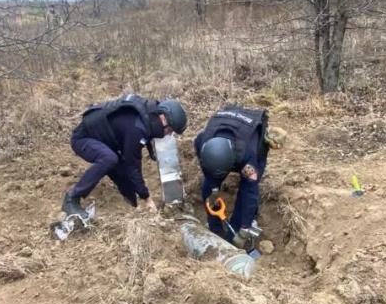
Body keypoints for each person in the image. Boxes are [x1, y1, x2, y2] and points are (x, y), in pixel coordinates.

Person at [62, 94, 188, 218]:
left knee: (121, 170)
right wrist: (147, 198)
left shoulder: (147, 117)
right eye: (169, 130)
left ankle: (130, 204)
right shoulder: (137, 129)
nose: (167, 134)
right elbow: (133, 165)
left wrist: (137, 199)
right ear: (163, 119)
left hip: (104, 140)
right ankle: (72, 198)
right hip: (83, 139)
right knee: (109, 159)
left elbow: (129, 167)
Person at [194, 105, 275, 249]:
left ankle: (236, 232)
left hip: (251, 138)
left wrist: (245, 229)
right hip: (223, 136)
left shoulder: (248, 157)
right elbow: (205, 168)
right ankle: (216, 231)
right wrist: (213, 189)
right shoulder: (202, 142)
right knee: (207, 187)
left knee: (247, 189)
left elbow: (250, 192)